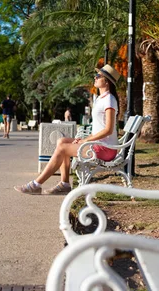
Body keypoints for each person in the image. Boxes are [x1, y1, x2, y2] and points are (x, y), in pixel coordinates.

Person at [15, 64, 120, 195]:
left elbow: (108, 130)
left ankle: (36, 184)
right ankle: (64, 183)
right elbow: (100, 127)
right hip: (98, 144)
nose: (95, 77)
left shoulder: (109, 100)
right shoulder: (100, 98)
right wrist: (84, 140)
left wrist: (86, 140)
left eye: (98, 76)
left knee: (63, 148)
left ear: (107, 81)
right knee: (61, 141)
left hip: (105, 148)